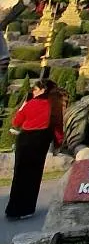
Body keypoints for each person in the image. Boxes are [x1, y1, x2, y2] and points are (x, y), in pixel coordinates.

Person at [5, 77, 64, 220]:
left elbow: (16, 122)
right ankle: (27, 209)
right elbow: (58, 126)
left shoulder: (30, 103)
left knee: (20, 175)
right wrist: (58, 143)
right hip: (41, 142)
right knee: (34, 176)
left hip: (25, 141)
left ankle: (14, 209)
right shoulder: (54, 105)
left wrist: (23, 106)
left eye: (35, 89)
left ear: (43, 90)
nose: (33, 91)